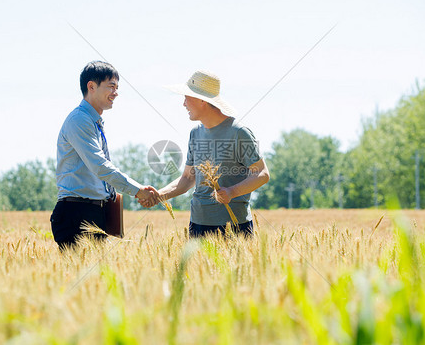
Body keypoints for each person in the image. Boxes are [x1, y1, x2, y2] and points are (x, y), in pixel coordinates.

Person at [140, 71, 269, 237]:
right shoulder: (195, 133)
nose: (184, 104)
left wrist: (232, 192)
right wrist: (159, 195)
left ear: (202, 100)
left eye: (186, 97)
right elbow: (188, 178)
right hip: (198, 224)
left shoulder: (239, 132)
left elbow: (262, 174)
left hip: (234, 225)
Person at [50, 61, 157, 250]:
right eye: (111, 86)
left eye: (117, 87)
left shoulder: (93, 122)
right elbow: (100, 166)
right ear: (91, 86)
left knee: (95, 277)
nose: (116, 92)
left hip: (93, 212)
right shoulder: (79, 120)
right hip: (76, 213)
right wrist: (138, 190)